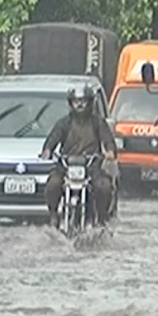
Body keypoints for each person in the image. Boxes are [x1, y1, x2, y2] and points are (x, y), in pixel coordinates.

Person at [39, 86, 116, 227]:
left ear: (90, 102)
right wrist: (47, 150)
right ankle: (54, 215)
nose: (79, 104)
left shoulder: (97, 122)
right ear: (70, 103)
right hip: (66, 166)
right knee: (53, 184)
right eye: (76, 101)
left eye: (83, 101)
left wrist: (109, 151)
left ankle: (102, 219)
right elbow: (53, 138)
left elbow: (107, 139)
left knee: (104, 186)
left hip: (92, 166)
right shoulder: (64, 123)